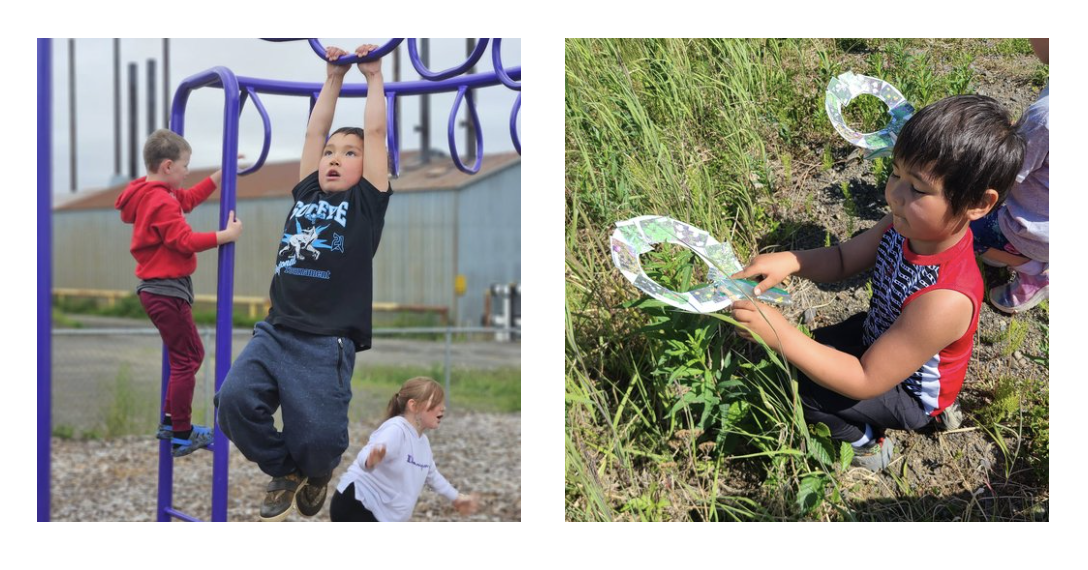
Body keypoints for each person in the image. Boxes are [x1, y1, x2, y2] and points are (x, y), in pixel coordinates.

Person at [729, 95, 1025, 471]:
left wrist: (781, 333)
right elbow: (842, 259)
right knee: (814, 352)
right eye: (895, 174)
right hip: (884, 336)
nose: (896, 196)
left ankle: (868, 444)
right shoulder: (900, 226)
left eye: (918, 189)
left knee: (807, 388)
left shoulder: (945, 298)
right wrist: (791, 260)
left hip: (911, 392)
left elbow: (867, 379)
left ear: (979, 203)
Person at [215, 44, 393, 521]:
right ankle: (286, 469)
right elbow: (315, 128)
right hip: (277, 331)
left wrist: (373, 77)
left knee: (320, 441)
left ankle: (316, 472)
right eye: (330, 152)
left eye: (348, 153)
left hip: (326, 341)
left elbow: (375, 131)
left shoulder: (367, 203)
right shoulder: (309, 189)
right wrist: (333, 77)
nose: (334, 158)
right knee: (232, 403)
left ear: (370, 167)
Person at [115, 128, 242, 458]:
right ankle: (181, 432)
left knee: (186, 357)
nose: (188, 171)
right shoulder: (159, 200)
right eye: (186, 165)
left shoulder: (154, 193)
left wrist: (219, 176)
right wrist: (224, 236)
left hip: (161, 289)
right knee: (189, 358)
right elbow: (182, 241)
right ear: (168, 165)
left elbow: (187, 199)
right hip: (165, 290)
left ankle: (173, 423)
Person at [970, 38, 1049, 313]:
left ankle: (1033, 269)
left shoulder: (1046, 117)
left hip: (1038, 232)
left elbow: (1007, 173)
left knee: (959, 224)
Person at [330, 377, 479, 521]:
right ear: (413, 406)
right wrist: (371, 460)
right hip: (357, 503)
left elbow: (432, 477)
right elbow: (366, 454)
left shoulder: (423, 442)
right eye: (435, 402)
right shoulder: (397, 429)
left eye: (442, 403)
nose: (443, 408)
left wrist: (456, 498)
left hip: (379, 514)